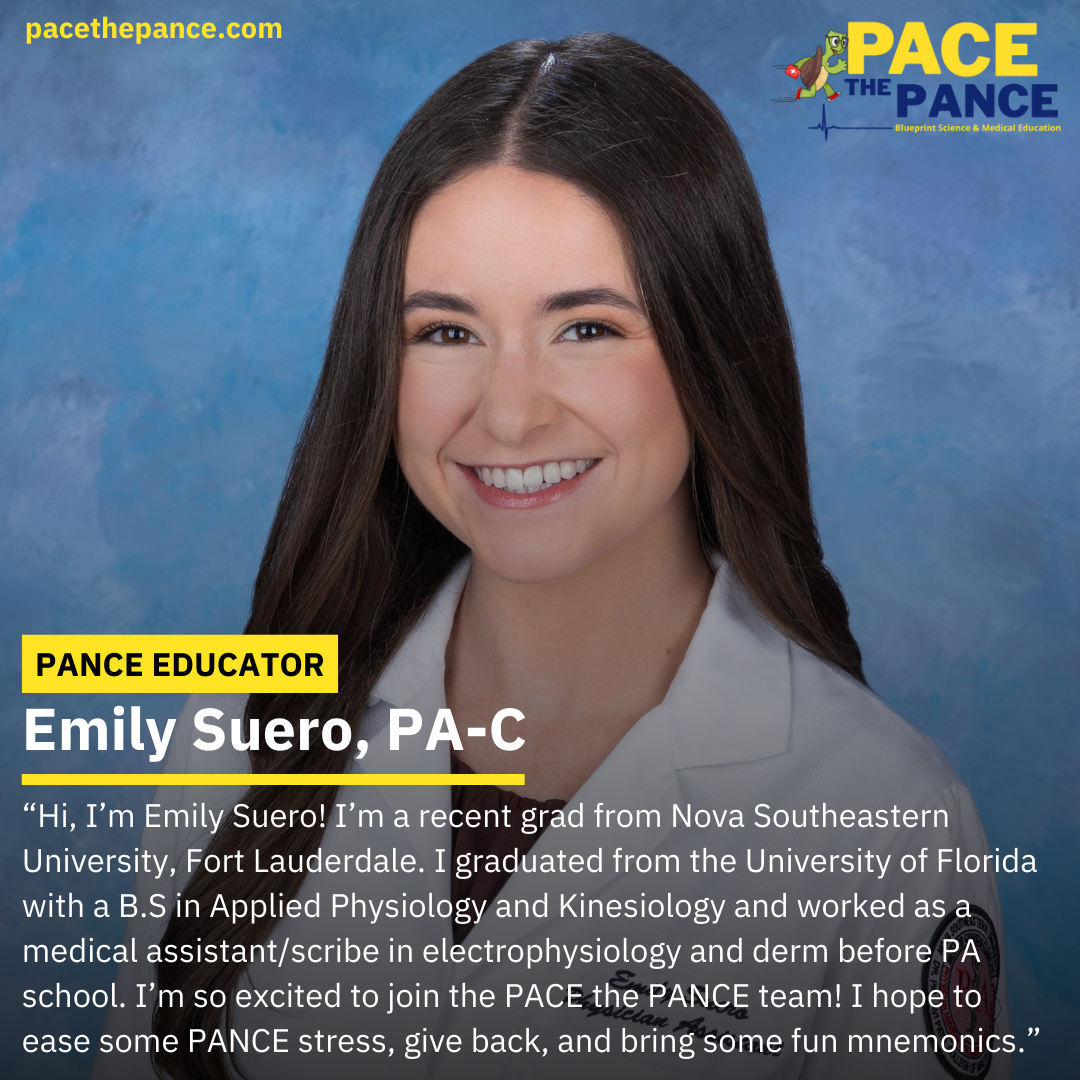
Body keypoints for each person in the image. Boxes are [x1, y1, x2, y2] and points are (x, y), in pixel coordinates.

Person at [94, 33, 1009, 1080]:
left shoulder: (879, 819)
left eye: (586, 329)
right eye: (445, 334)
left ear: (715, 345)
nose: (511, 414)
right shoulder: (236, 731)